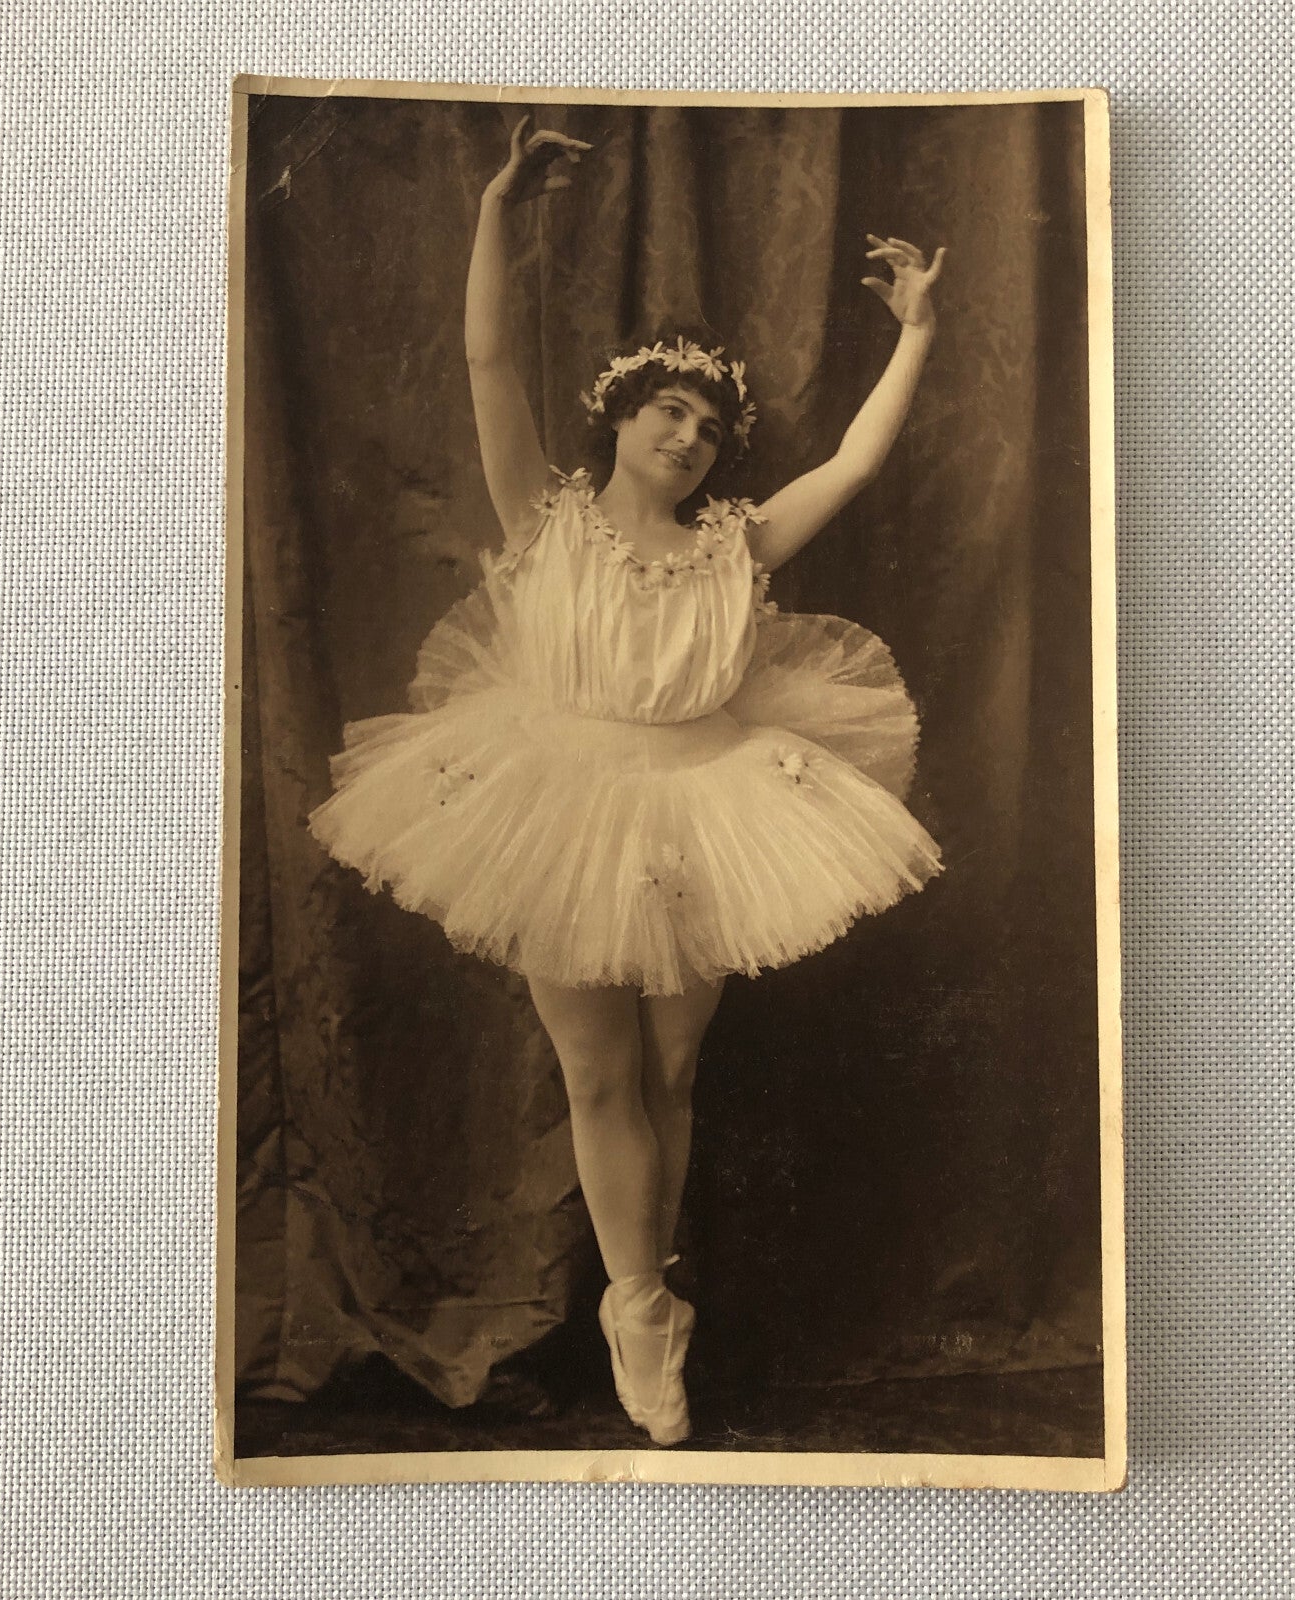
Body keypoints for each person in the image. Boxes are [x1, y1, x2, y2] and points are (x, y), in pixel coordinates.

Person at [307, 114, 946, 1446]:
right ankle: (640, 1312)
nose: (695, 436)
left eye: (713, 425)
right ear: (620, 416)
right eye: (673, 410)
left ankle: (644, 1299)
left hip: (707, 796)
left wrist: (920, 333)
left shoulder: (739, 546)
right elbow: (487, 354)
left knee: (671, 1070)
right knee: (600, 1074)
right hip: (559, 798)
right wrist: (498, 212)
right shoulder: (545, 518)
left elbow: (857, 461)